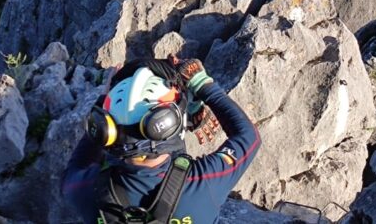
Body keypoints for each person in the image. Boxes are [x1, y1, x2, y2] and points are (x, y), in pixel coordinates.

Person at [62, 57, 260, 224]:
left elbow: (77, 165)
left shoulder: (83, 190)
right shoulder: (203, 182)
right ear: (166, 124)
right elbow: (249, 138)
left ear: (107, 131)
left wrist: (105, 101)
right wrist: (201, 84)